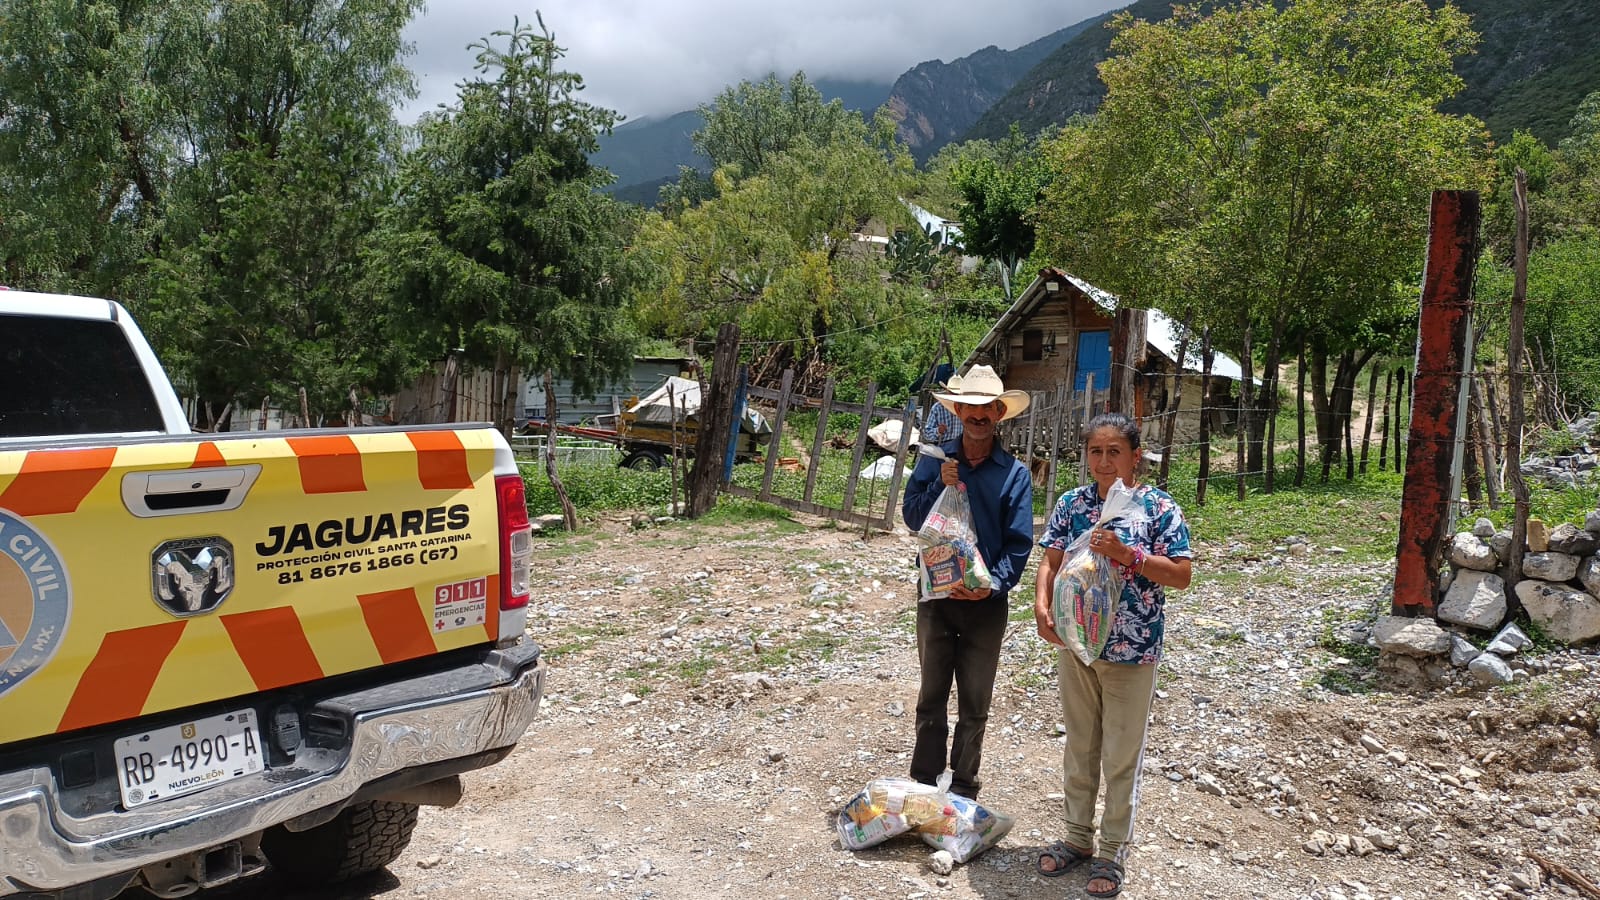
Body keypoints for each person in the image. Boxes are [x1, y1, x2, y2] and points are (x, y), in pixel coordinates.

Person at [1032, 412, 1193, 898]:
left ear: (1135, 456)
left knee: (1122, 754)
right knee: (1080, 745)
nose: (1103, 462)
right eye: (1095, 451)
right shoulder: (1072, 504)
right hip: (1077, 645)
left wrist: (1130, 556)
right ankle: (1077, 838)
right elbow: (1052, 559)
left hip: (1132, 649)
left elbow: (1181, 575)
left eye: (1114, 451)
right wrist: (1042, 604)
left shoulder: (1158, 508)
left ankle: (1113, 849)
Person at [901, 365, 1035, 801]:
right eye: (971, 408)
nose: (979, 416)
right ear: (958, 409)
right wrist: (937, 487)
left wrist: (992, 585)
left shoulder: (1014, 474)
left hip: (985, 605)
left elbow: (1019, 543)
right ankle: (923, 784)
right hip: (936, 598)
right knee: (931, 696)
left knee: (975, 703)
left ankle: (962, 789)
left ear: (999, 413)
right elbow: (912, 520)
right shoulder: (935, 460)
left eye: (987, 409)